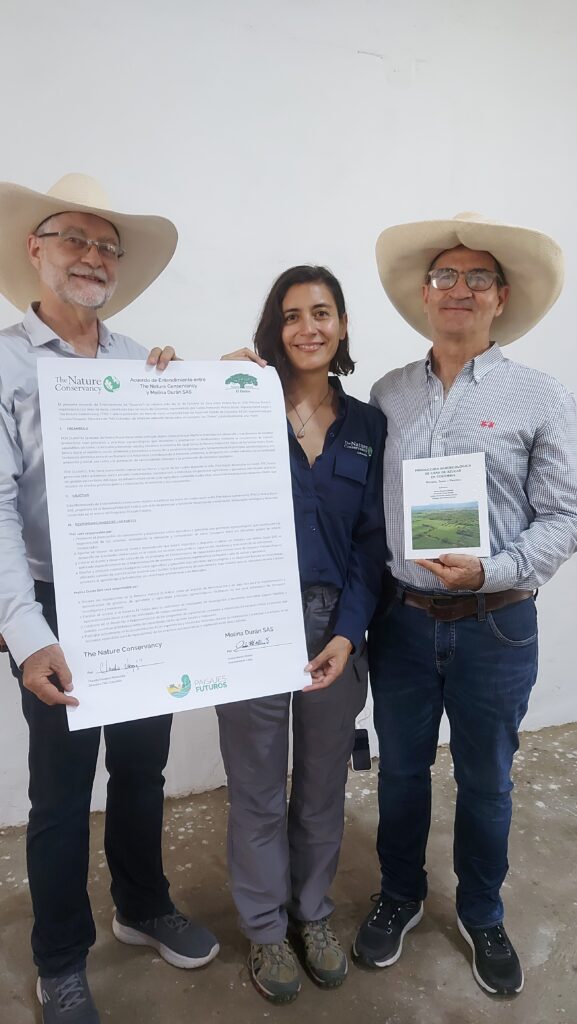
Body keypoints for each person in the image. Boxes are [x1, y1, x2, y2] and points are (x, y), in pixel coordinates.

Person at [0, 174, 219, 1024]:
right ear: (35, 249)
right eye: (73, 239)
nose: (90, 257)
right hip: (52, 606)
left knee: (141, 768)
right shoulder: (7, 362)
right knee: (59, 793)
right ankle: (59, 956)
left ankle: (141, 904)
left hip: (142, 598)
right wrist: (26, 635)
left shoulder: (139, 364)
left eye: (105, 246)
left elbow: (179, 478)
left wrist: (218, 390)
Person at [352, 213, 577, 996]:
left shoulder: (540, 396)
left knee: (487, 779)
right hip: (403, 625)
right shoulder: (386, 394)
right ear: (425, 294)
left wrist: (489, 570)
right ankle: (399, 895)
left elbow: (565, 517)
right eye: (445, 276)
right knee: (401, 775)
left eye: (476, 277)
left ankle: (481, 912)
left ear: (500, 297)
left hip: (497, 625)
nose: (458, 289)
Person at [219, 266, 386, 1004]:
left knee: (319, 789)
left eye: (321, 313)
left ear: (342, 325)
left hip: (332, 629)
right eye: (291, 316)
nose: (307, 328)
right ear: (274, 329)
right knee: (257, 791)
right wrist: (185, 385)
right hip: (250, 622)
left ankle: (310, 914)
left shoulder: (368, 427)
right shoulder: (236, 406)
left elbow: (369, 544)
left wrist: (348, 634)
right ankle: (262, 927)